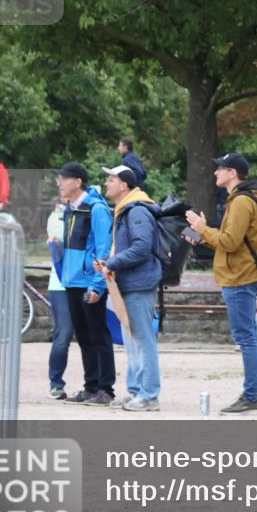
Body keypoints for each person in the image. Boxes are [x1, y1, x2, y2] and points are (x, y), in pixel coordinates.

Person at [185, 153, 257, 414]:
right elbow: (230, 241)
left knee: (246, 337)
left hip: (240, 277)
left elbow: (230, 242)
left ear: (233, 173)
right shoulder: (239, 199)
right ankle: (250, 394)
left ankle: (251, 395)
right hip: (239, 275)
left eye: (219, 169)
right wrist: (203, 238)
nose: (215, 173)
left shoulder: (242, 202)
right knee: (248, 336)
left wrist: (202, 228)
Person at [98, 165, 163, 412]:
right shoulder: (126, 210)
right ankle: (136, 391)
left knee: (143, 342)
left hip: (139, 283)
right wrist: (107, 261)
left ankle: (149, 396)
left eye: (111, 179)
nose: (107, 184)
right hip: (129, 283)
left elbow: (141, 247)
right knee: (132, 342)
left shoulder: (137, 211)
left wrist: (113, 262)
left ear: (124, 185)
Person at [55, 162, 116, 406]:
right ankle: (91, 387)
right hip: (72, 282)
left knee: (98, 335)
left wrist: (97, 286)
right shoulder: (71, 208)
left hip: (89, 282)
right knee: (83, 336)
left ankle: (106, 389)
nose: (59, 183)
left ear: (78, 181)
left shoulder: (96, 209)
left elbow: (102, 249)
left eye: (63, 178)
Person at [46, 198, 74, 400]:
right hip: (60, 284)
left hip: (82, 281)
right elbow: (61, 246)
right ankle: (56, 383)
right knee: (63, 335)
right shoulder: (56, 216)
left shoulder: (89, 211)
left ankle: (96, 386)